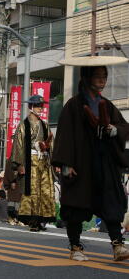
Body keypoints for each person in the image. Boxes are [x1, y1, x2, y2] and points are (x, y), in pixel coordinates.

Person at [52, 64, 129, 261]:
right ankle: (75, 246)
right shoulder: (73, 105)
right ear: (87, 78)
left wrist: (114, 130)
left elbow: (123, 126)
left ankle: (117, 245)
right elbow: (65, 136)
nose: (102, 80)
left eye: (104, 76)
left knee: (111, 202)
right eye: (97, 76)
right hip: (81, 163)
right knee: (77, 205)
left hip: (105, 161)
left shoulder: (107, 105)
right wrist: (66, 164)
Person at [11, 95, 56, 232]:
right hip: (30, 160)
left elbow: (51, 143)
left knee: (45, 190)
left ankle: (42, 219)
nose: (40, 109)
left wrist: (48, 149)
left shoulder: (45, 124)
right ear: (31, 107)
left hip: (44, 161)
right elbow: (18, 146)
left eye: (41, 106)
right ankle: (33, 220)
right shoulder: (24, 124)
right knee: (33, 191)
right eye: (37, 106)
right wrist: (19, 165)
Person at [3, 158, 23, 225]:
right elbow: (8, 171)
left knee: (18, 205)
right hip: (13, 185)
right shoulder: (10, 160)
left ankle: (17, 219)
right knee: (11, 205)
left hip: (20, 185)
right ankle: (11, 218)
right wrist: (12, 181)